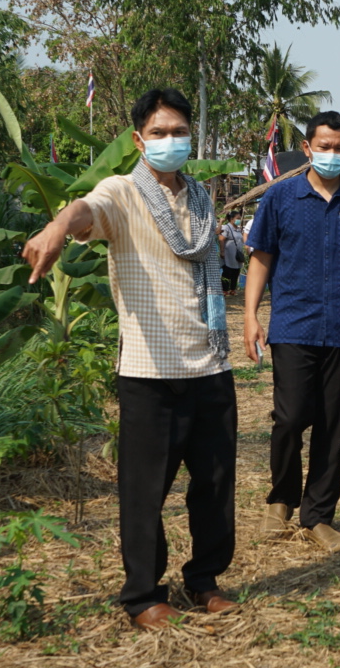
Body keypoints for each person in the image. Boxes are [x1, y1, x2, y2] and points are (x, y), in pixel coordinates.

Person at [22, 88, 237, 631]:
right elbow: (86, 210)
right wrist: (55, 228)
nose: (171, 141)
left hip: (209, 365)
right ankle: (143, 594)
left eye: (180, 132)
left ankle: (205, 580)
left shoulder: (202, 198)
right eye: (159, 133)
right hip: (150, 371)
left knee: (214, 486)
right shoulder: (122, 192)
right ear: (139, 141)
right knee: (144, 494)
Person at [243, 111, 340, 553]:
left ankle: (318, 515)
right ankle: (280, 500)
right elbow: (261, 258)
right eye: (324, 146)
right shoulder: (281, 198)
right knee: (289, 418)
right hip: (293, 324)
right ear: (306, 148)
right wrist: (250, 315)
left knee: (332, 425)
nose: (332, 154)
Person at [220, 219, 245, 294]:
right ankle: (225, 289)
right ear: (232, 219)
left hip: (237, 253)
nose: (239, 220)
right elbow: (221, 239)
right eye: (237, 218)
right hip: (229, 254)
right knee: (227, 271)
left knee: (236, 271)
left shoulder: (238, 229)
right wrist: (222, 251)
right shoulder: (226, 228)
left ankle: (233, 289)